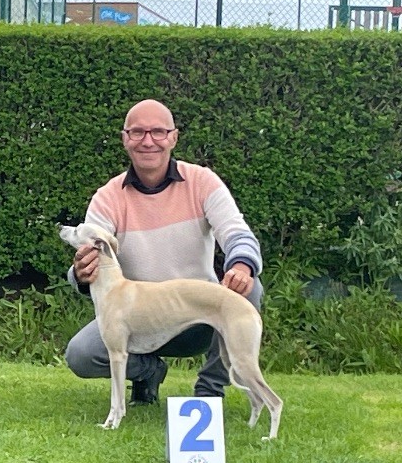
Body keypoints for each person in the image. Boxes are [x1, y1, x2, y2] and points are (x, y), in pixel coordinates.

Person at [65, 98, 264, 403]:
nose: (148, 141)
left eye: (158, 132)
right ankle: (147, 372)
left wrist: (242, 265)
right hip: (138, 317)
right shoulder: (107, 197)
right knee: (82, 355)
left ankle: (209, 394)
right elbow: (87, 257)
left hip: (198, 315)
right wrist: (79, 273)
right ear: (125, 139)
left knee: (247, 289)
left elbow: (237, 232)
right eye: (137, 133)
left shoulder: (202, 181)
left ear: (173, 137)